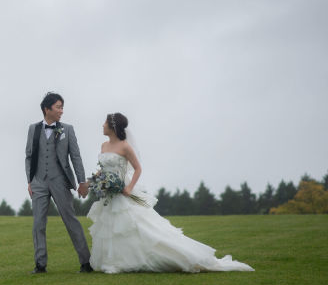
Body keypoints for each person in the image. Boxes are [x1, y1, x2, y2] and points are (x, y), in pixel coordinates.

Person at [86, 113, 254, 273]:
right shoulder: (104, 146)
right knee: (111, 227)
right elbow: (103, 170)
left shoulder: (125, 146)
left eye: (105, 122)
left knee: (133, 226)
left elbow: (138, 168)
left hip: (123, 192)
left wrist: (129, 188)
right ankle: (114, 262)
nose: (102, 125)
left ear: (113, 127)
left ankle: (166, 256)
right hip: (108, 194)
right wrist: (98, 182)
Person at [25, 92, 93, 274]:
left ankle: (86, 262)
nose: (62, 111)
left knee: (70, 220)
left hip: (60, 182)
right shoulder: (33, 129)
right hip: (38, 182)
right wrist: (30, 181)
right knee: (38, 223)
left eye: (62, 107)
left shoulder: (67, 129)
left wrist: (81, 181)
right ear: (47, 109)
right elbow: (29, 156)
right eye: (58, 107)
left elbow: (76, 157)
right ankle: (40, 265)